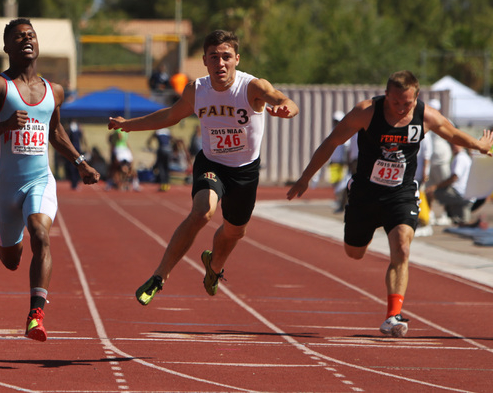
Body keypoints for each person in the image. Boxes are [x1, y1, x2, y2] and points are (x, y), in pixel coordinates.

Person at [286, 70, 493, 338]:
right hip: (364, 194)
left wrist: (478, 145)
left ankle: (392, 316)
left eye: (406, 103)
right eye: (395, 102)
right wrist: (305, 178)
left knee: (403, 247)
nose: (400, 108)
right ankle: (364, 231)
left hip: (401, 193)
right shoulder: (366, 112)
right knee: (354, 252)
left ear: (416, 97)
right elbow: (332, 142)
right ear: (386, 95)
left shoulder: (425, 115)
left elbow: (451, 133)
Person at [108, 30, 299, 306]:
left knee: (235, 232)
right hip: (212, 164)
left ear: (237, 59)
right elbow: (170, 116)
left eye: (226, 57)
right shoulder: (196, 90)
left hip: (244, 171)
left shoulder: (252, 87)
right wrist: (128, 124)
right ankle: (159, 277)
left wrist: (286, 109)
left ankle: (214, 265)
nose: (220, 63)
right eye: (214, 57)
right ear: (204, 61)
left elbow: (282, 99)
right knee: (202, 212)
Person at [0, 18, 100, 342]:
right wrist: (5, 125)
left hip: (39, 180)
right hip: (5, 186)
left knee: (41, 235)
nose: (26, 40)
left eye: (31, 35)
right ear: (7, 47)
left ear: (38, 43)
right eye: (18, 37)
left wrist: (80, 162)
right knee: (11, 259)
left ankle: (36, 315)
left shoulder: (53, 91)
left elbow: (54, 132)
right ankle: (5, 247)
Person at [426, 143, 479, 227]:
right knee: (462, 222)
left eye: (457, 144)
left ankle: (428, 217)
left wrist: (435, 187)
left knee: (429, 192)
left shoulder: (460, 157)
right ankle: (451, 215)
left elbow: (454, 177)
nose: (454, 146)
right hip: (467, 194)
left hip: (460, 193)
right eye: (453, 144)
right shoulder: (464, 157)